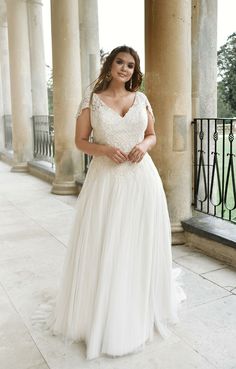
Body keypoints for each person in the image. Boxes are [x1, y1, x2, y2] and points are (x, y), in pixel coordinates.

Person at [50, 45, 186, 360]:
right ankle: (104, 312)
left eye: (130, 65)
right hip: (106, 182)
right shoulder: (91, 101)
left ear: (133, 71)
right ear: (109, 66)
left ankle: (138, 305)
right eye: (119, 62)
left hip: (142, 181)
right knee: (108, 242)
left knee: (137, 242)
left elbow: (152, 134)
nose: (124, 68)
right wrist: (105, 150)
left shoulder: (141, 99)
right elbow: (80, 141)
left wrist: (143, 145)